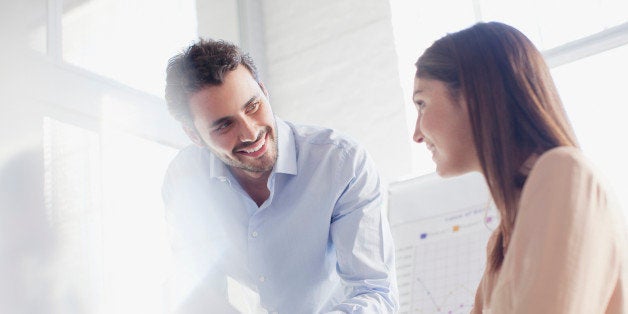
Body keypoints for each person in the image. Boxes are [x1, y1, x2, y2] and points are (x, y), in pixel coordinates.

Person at [161, 39, 398, 313]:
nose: (250, 133)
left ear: (264, 91)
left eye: (252, 106)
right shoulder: (185, 180)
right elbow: (199, 291)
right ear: (193, 135)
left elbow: (376, 292)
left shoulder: (341, 163)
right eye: (224, 125)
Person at [412, 21, 627, 313]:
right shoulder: (500, 244)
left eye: (422, 103)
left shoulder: (564, 172)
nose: (417, 134)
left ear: (476, 95)